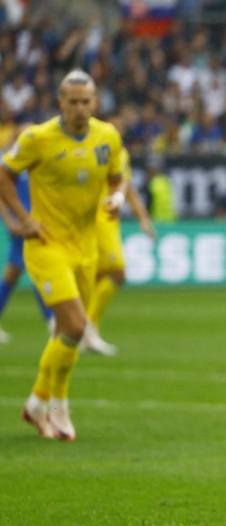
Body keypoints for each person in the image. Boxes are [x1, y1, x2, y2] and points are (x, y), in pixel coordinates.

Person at [0, 70, 125, 441]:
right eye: (72, 102)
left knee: (68, 329)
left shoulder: (108, 136)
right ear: (60, 103)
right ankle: (58, 405)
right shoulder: (38, 138)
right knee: (72, 326)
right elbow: (4, 174)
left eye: (86, 101)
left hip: (85, 246)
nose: (80, 108)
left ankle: (37, 403)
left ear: (95, 102)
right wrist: (19, 219)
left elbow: (117, 177)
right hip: (46, 245)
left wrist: (117, 199)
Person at [82, 145, 157, 356]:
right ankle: (86, 327)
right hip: (99, 218)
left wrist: (143, 218)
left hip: (107, 218)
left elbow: (126, 187)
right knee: (117, 272)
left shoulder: (119, 151)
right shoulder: (98, 147)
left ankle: (83, 330)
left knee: (97, 277)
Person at [0, 172, 54, 343]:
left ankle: (53, 321)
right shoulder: (14, 158)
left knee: (13, 273)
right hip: (24, 224)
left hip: (38, 221)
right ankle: (52, 321)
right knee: (36, 270)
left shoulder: (35, 153)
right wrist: (9, 221)